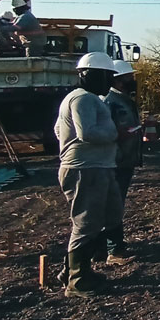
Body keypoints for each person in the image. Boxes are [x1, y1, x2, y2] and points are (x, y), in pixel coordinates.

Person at [54, 52, 123, 297]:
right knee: (86, 223)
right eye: (106, 76)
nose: (109, 82)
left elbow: (58, 129)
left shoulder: (78, 98)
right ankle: (78, 280)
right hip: (86, 169)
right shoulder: (83, 99)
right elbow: (87, 133)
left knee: (104, 217)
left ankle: (70, 270)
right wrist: (116, 133)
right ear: (90, 75)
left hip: (93, 167)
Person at [101, 59, 142, 264]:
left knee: (114, 204)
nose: (132, 81)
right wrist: (121, 135)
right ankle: (113, 249)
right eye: (129, 78)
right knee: (113, 206)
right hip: (116, 161)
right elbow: (106, 132)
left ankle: (103, 248)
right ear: (118, 81)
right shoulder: (110, 102)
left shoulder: (124, 99)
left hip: (125, 160)